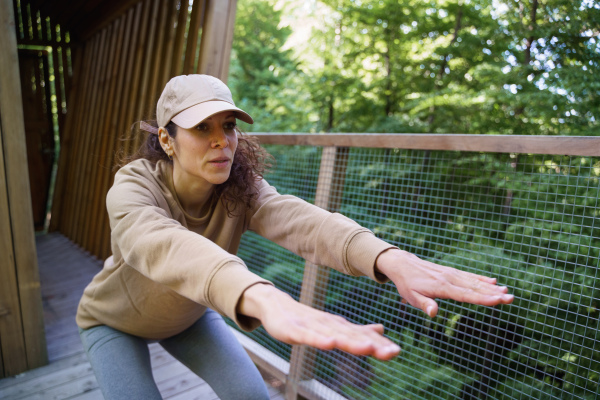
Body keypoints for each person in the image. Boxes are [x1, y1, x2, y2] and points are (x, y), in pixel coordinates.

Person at [76, 74, 514, 400]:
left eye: (227, 126)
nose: (220, 142)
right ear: (167, 140)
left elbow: (302, 220)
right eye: (201, 128)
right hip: (117, 323)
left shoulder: (239, 189)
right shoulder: (134, 185)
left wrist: (386, 257)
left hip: (189, 316)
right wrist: (264, 297)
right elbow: (159, 243)